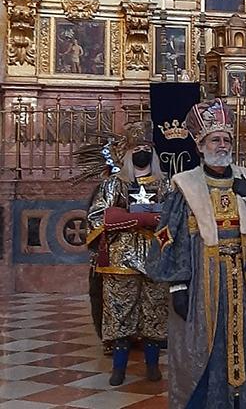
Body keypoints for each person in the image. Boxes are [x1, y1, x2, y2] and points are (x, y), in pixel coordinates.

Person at [146, 98, 246, 408]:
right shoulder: (186, 186)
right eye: (214, 139)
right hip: (204, 283)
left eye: (226, 139)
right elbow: (173, 237)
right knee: (208, 345)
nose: (221, 145)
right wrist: (178, 285)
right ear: (200, 144)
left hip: (245, 282)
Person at [80, 122, 170, 385]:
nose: (142, 152)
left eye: (146, 148)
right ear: (128, 153)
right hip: (121, 259)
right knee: (120, 313)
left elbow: (176, 217)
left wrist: (157, 220)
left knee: (154, 312)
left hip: (155, 258)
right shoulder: (114, 185)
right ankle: (118, 368)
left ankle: (152, 366)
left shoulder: (166, 184)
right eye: (137, 148)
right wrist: (129, 219)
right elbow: (97, 216)